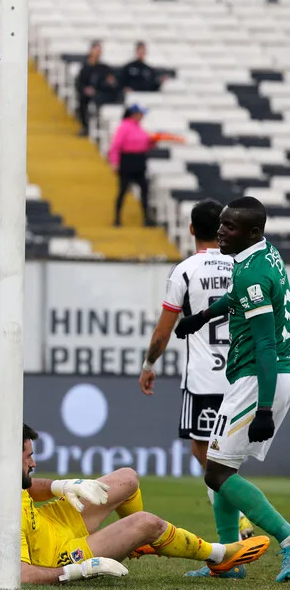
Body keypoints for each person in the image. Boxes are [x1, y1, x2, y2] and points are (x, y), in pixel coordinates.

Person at [0, 425, 269, 585]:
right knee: (146, 523)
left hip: (53, 524)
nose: (33, 463)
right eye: (27, 458)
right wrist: (82, 569)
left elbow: (30, 487)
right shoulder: (0, 515)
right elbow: (22, 575)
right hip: (57, 556)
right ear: (7, 458)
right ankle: (219, 556)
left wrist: (63, 485)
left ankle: (139, 543)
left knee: (127, 478)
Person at [175, 196, 290, 582]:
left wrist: (262, 409)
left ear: (253, 231)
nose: (221, 231)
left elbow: (266, 344)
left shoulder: (252, 273)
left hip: (261, 376)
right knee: (219, 469)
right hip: (257, 375)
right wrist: (204, 316)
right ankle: (230, 562)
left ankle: (287, 539)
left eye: (230, 227)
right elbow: (237, 300)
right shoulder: (263, 254)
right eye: (221, 224)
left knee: (218, 472)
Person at [139, 200, 256, 574]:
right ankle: (234, 536)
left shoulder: (186, 270)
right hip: (241, 376)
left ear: (191, 230)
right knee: (221, 459)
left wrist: (148, 364)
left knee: (208, 459)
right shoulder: (242, 265)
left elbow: (164, 330)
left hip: (204, 379)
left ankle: (239, 527)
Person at [108, 104, 157, 227]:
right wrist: (115, 162)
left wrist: (151, 143)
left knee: (144, 190)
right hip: (127, 161)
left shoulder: (139, 128)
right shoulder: (124, 127)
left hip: (139, 161)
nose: (142, 116)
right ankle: (117, 218)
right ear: (134, 114)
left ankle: (146, 218)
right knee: (123, 191)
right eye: (140, 114)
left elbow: (144, 145)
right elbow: (116, 146)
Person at [75, 41, 121, 137]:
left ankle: (102, 126)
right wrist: (86, 89)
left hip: (101, 94)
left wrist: (110, 83)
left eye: (99, 50)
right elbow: (79, 83)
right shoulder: (85, 68)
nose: (98, 52)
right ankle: (85, 126)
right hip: (88, 95)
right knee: (83, 101)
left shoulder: (104, 68)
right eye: (96, 50)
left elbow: (111, 82)